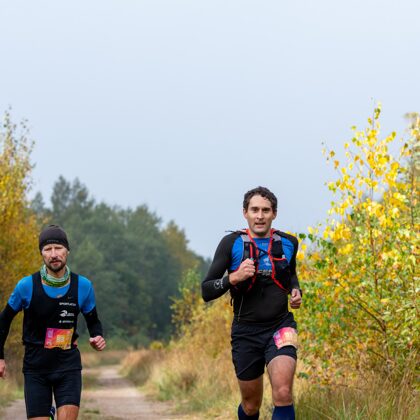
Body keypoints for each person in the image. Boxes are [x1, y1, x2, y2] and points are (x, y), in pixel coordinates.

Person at [202, 187, 302, 420]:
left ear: (274, 214)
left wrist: (296, 291)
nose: (260, 216)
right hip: (245, 331)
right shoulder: (231, 243)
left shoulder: (289, 242)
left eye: (265, 210)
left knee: (283, 392)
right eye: (254, 210)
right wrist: (234, 277)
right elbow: (206, 290)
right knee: (250, 405)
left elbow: (291, 275)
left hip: (281, 326)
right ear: (245, 213)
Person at [0, 225, 106, 420]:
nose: (54, 254)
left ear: (67, 251)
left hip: (68, 365)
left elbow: (93, 322)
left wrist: (97, 337)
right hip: (36, 367)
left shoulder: (83, 286)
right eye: (48, 249)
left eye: (58, 248)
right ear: (42, 253)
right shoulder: (26, 286)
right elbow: (3, 321)